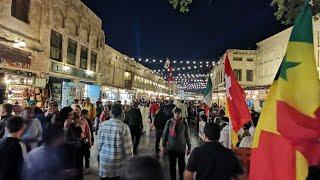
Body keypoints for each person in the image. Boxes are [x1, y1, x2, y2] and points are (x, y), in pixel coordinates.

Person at [98, 103, 133, 180]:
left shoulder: (103, 125)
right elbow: (128, 150)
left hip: (104, 163)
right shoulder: (124, 127)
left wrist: (100, 156)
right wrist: (129, 165)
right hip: (118, 166)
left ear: (111, 112)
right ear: (121, 113)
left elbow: (99, 145)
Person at [162, 108, 191, 180]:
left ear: (181, 114)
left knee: (182, 166)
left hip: (181, 148)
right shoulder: (169, 122)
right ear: (173, 114)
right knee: (172, 166)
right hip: (171, 148)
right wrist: (163, 146)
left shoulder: (184, 123)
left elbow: (187, 135)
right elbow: (165, 134)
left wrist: (189, 146)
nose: (177, 115)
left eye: (178, 113)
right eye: (176, 113)